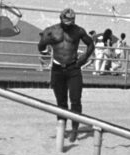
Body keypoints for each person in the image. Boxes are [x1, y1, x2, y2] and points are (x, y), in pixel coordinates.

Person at [37, 8, 94, 140]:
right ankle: (62, 128)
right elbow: (41, 48)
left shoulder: (78, 31)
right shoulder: (51, 30)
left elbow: (91, 44)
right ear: (61, 18)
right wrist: (44, 41)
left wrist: (84, 59)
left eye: (71, 21)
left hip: (73, 69)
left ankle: (74, 130)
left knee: (75, 100)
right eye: (66, 20)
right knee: (61, 102)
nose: (69, 23)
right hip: (57, 70)